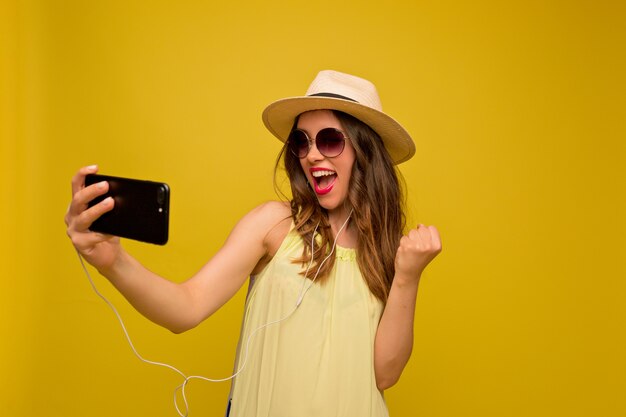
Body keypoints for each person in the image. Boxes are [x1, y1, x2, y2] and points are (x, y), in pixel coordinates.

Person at [65, 70, 442, 417]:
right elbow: (185, 308)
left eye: (329, 139)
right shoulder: (275, 224)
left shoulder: (388, 251)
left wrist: (407, 276)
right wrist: (112, 260)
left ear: (366, 153)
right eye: (301, 141)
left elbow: (386, 374)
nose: (311, 154)